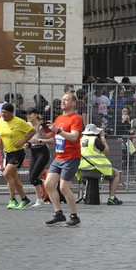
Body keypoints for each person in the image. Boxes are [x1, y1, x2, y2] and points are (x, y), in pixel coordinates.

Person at [43, 92, 85, 227]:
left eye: (66, 100)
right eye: (62, 100)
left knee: (64, 187)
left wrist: (58, 130)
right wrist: (42, 131)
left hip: (71, 157)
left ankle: (74, 216)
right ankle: (58, 214)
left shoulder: (76, 118)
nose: (63, 102)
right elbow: (54, 136)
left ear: (73, 103)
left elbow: (73, 137)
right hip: (59, 157)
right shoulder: (60, 117)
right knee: (48, 184)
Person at [0, 103, 36, 210]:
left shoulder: (19, 122)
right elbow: (0, 133)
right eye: (2, 112)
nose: (3, 114)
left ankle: (12, 199)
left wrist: (23, 141)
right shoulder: (0, 121)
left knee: (6, 173)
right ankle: (24, 199)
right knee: (14, 178)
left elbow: (33, 131)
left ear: (11, 113)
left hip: (17, 152)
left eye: (5, 112)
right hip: (7, 152)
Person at [77, 123, 123, 206]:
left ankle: (85, 195)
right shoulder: (94, 139)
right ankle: (112, 198)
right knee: (116, 173)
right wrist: (102, 138)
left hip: (82, 170)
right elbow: (106, 151)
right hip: (94, 169)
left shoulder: (81, 139)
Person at [25, 107, 52, 208]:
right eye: (27, 114)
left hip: (43, 151)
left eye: (30, 114)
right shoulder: (27, 125)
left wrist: (42, 135)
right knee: (32, 179)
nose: (28, 116)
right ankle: (45, 185)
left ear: (36, 115)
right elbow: (27, 138)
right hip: (33, 151)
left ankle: (39, 199)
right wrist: (26, 143)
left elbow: (50, 139)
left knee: (34, 176)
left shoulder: (42, 125)